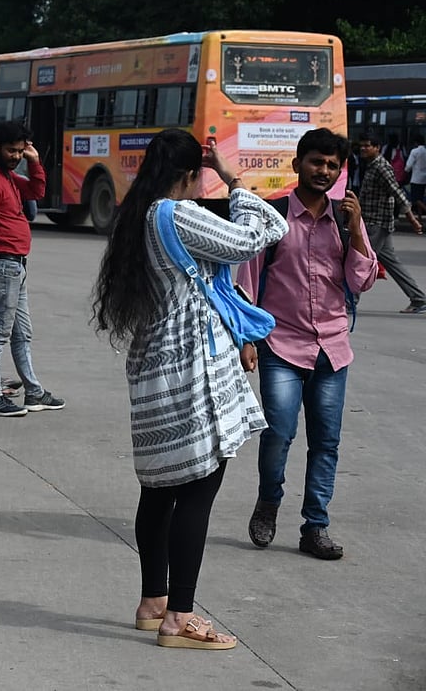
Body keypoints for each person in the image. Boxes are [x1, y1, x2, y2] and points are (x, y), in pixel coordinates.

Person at [91, 128, 288, 650]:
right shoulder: (177, 215)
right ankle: (180, 618)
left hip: (155, 368)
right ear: (189, 173)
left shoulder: (137, 217)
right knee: (199, 488)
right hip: (190, 370)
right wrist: (232, 177)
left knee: (158, 489)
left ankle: (153, 600)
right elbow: (262, 232)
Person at [236, 129, 378, 560]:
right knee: (278, 432)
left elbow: (362, 280)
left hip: (332, 348)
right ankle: (268, 502)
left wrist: (355, 230)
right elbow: (246, 281)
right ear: (298, 164)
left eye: (333, 165)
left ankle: (315, 526)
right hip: (280, 345)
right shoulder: (272, 217)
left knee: (326, 441)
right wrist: (246, 339)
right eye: (317, 162)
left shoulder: (344, 218)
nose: (324, 171)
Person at [0, 121, 64, 417]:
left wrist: (35, 162)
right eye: (12, 150)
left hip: (14, 265)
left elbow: (36, 191)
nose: (16, 156)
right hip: (2, 264)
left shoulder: (7, 177)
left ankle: (34, 392)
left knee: (22, 332)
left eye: (21, 151)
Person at [355, 133, 426, 313]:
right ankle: (418, 299)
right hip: (374, 222)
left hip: (376, 223)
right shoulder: (371, 166)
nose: (363, 149)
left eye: (367, 146)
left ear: (377, 148)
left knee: (362, 262)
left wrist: (412, 220)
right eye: (361, 146)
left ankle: (349, 301)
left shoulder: (381, 167)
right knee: (392, 263)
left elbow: (397, 193)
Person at [404, 134, 426, 214]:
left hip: (416, 178)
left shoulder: (415, 151)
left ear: (416, 143)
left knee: (415, 199)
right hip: (424, 179)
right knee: (420, 198)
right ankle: (420, 219)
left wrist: (405, 171)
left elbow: (408, 166)